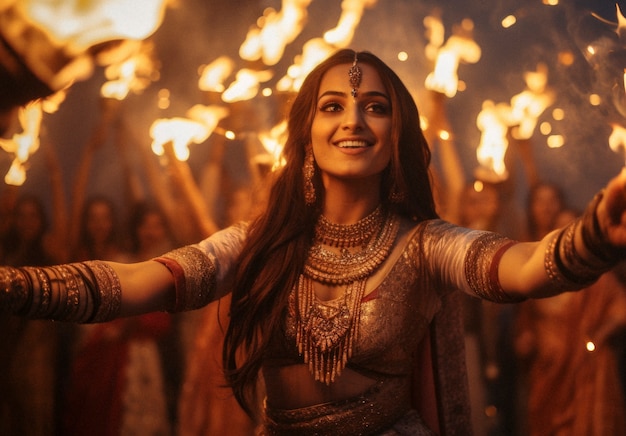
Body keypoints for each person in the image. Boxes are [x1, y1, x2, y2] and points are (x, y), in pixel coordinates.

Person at [3, 49, 626, 435]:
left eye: (374, 107)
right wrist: (12, 285)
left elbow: (520, 269)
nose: (353, 119)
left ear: (396, 131)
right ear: (306, 132)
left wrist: (595, 234)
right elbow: (144, 281)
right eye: (332, 106)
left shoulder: (423, 245)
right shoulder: (260, 244)